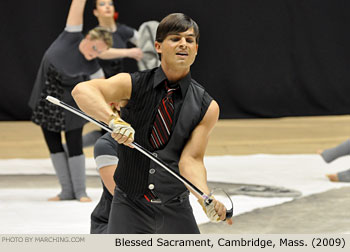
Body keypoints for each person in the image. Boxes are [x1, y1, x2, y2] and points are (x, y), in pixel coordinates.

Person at [72, 13, 233, 233]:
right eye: (175, 39)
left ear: (196, 48)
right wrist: (113, 120)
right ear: (158, 46)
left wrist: (204, 196)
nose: (183, 44)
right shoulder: (132, 84)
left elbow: (191, 160)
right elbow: (83, 90)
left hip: (175, 207)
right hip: (129, 205)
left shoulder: (207, 106)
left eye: (189, 39)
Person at [28, 0, 112, 202]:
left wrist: (112, 113)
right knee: (54, 145)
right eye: (93, 47)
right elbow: (77, 5)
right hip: (45, 101)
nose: (93, 54)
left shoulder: (92, 66)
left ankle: (80, 191)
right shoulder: (71, 36)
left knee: (74, 146)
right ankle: (66, 190)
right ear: (87, 37)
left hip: (70, 106)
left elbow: (106, 90)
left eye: (99, 52)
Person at [81, 0, 144, 148]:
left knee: (112, 127)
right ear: (96, 12)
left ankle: (74, 147)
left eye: (110, 4)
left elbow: (144, 38)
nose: (107, 6)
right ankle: (74, 148)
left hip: (117, 87)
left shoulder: (123, 31)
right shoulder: (95, 34)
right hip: (99, 83)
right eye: (102, 4)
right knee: (109, 125)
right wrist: (129, 52)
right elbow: (101, 52)